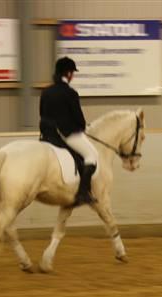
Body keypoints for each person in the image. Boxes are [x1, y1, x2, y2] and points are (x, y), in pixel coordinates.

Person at [39, 57, 98, 206]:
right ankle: (83, 193)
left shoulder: (46, 92)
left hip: (47, 135)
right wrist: (83, 127)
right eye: (72, 73)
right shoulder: (70, 93)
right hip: (65, 135)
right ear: (69, 74)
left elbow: (42, 113)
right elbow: (79, 119)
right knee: (91, 155)